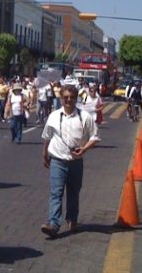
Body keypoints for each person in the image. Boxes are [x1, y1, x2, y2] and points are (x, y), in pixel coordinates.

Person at [40, 85, 100, 238]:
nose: (68, 100)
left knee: (73, 192)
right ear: (61, 98)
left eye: (71, 97)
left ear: (76, 99)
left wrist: (84, 149)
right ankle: (53, 224)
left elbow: (95, 137)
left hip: (76, 162)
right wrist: (44, 155)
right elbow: (46, 137)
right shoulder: (54, 116)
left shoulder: (84, 116)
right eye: (65, 97)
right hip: (57, 161)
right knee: (56, 192)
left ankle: (72, 219)